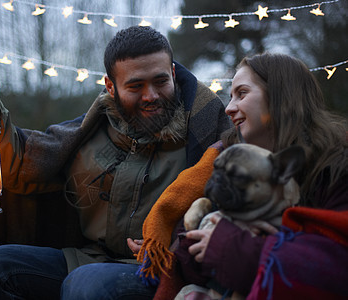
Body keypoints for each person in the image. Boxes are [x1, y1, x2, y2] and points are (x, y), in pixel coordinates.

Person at [0, 26, 232, 299]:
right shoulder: (89, 131)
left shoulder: (207, 135)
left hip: (160, 269)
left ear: (172, 74)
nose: (151, 96)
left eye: (160, 81)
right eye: (136, 86)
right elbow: (24, 164)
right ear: (111, 87)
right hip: (88, 259)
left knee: (85, 283)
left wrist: (171, 244)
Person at [137, 53, 348, 299]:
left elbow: (332, 269)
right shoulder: (225, 161)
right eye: (230, 96)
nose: (228, 108)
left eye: (242, 93)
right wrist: (198, 242)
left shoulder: (336, 168)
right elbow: (187, 266)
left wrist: (228, 247)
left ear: (281, 97)